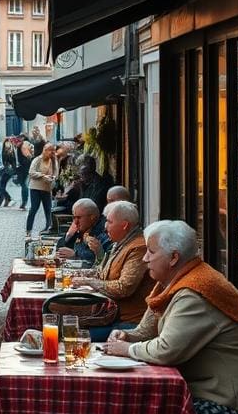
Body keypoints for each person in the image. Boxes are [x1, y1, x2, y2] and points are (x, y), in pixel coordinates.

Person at [103, 220, 238, 414]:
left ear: (174, 257)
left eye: (151, 252)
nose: (145, 258)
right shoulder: (175, 282)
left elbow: (167, 350)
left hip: (230, 407)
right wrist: (127, 336)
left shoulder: (193, 292)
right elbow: (146, 332)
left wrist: (128, 348)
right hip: (210, 394)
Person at [72, 201, 152, 338]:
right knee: (65, 322)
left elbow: (124, 287)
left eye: (109, 221)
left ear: (125, 225)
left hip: (129, 322)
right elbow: (102, 272)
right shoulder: (120, 243)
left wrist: (89, 281)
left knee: (73, 335)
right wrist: (80, 275)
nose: (105, 226)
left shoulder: (138, 247)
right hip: (110, 315)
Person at [55, 198, 111, 264]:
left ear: (92, 217)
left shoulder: (104, 232)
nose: (75, 222)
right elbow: (60, 249)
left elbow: (99, 258)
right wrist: (69, 235)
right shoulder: (81, 229)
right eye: (74, 217)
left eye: (79, 217)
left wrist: (76, 255)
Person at [26, 143, 59, 238]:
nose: (52, 153)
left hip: (47, 188)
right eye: (50, 151)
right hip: (35, 188)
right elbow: (31, 172)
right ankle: (28, 229)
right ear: (45, 150)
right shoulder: (37, 160)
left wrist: (53, 177)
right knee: (34, 208)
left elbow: (56, 173)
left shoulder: (53, 160)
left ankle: (48, 227)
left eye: (53, 151)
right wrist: (43, 176)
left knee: (48, 209)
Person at [0, 140, 17, 208]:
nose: (7, 145)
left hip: (8, 170)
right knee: (0, 185)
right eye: (6, 143)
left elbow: (12, 163)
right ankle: (6, 199)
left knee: (0, 184)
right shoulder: (4, 150)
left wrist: (11, 170)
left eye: (9, 143)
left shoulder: (10, 151)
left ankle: (7, 199)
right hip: (4, 169)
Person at [15, 139, 33, 210]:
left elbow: (27, 156)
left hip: (24, 169)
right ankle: (24, 202)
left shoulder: (23, 146)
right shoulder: (21, 146)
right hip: (23, 168)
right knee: (24, 185)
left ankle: (24, 202)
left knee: (24, 185)